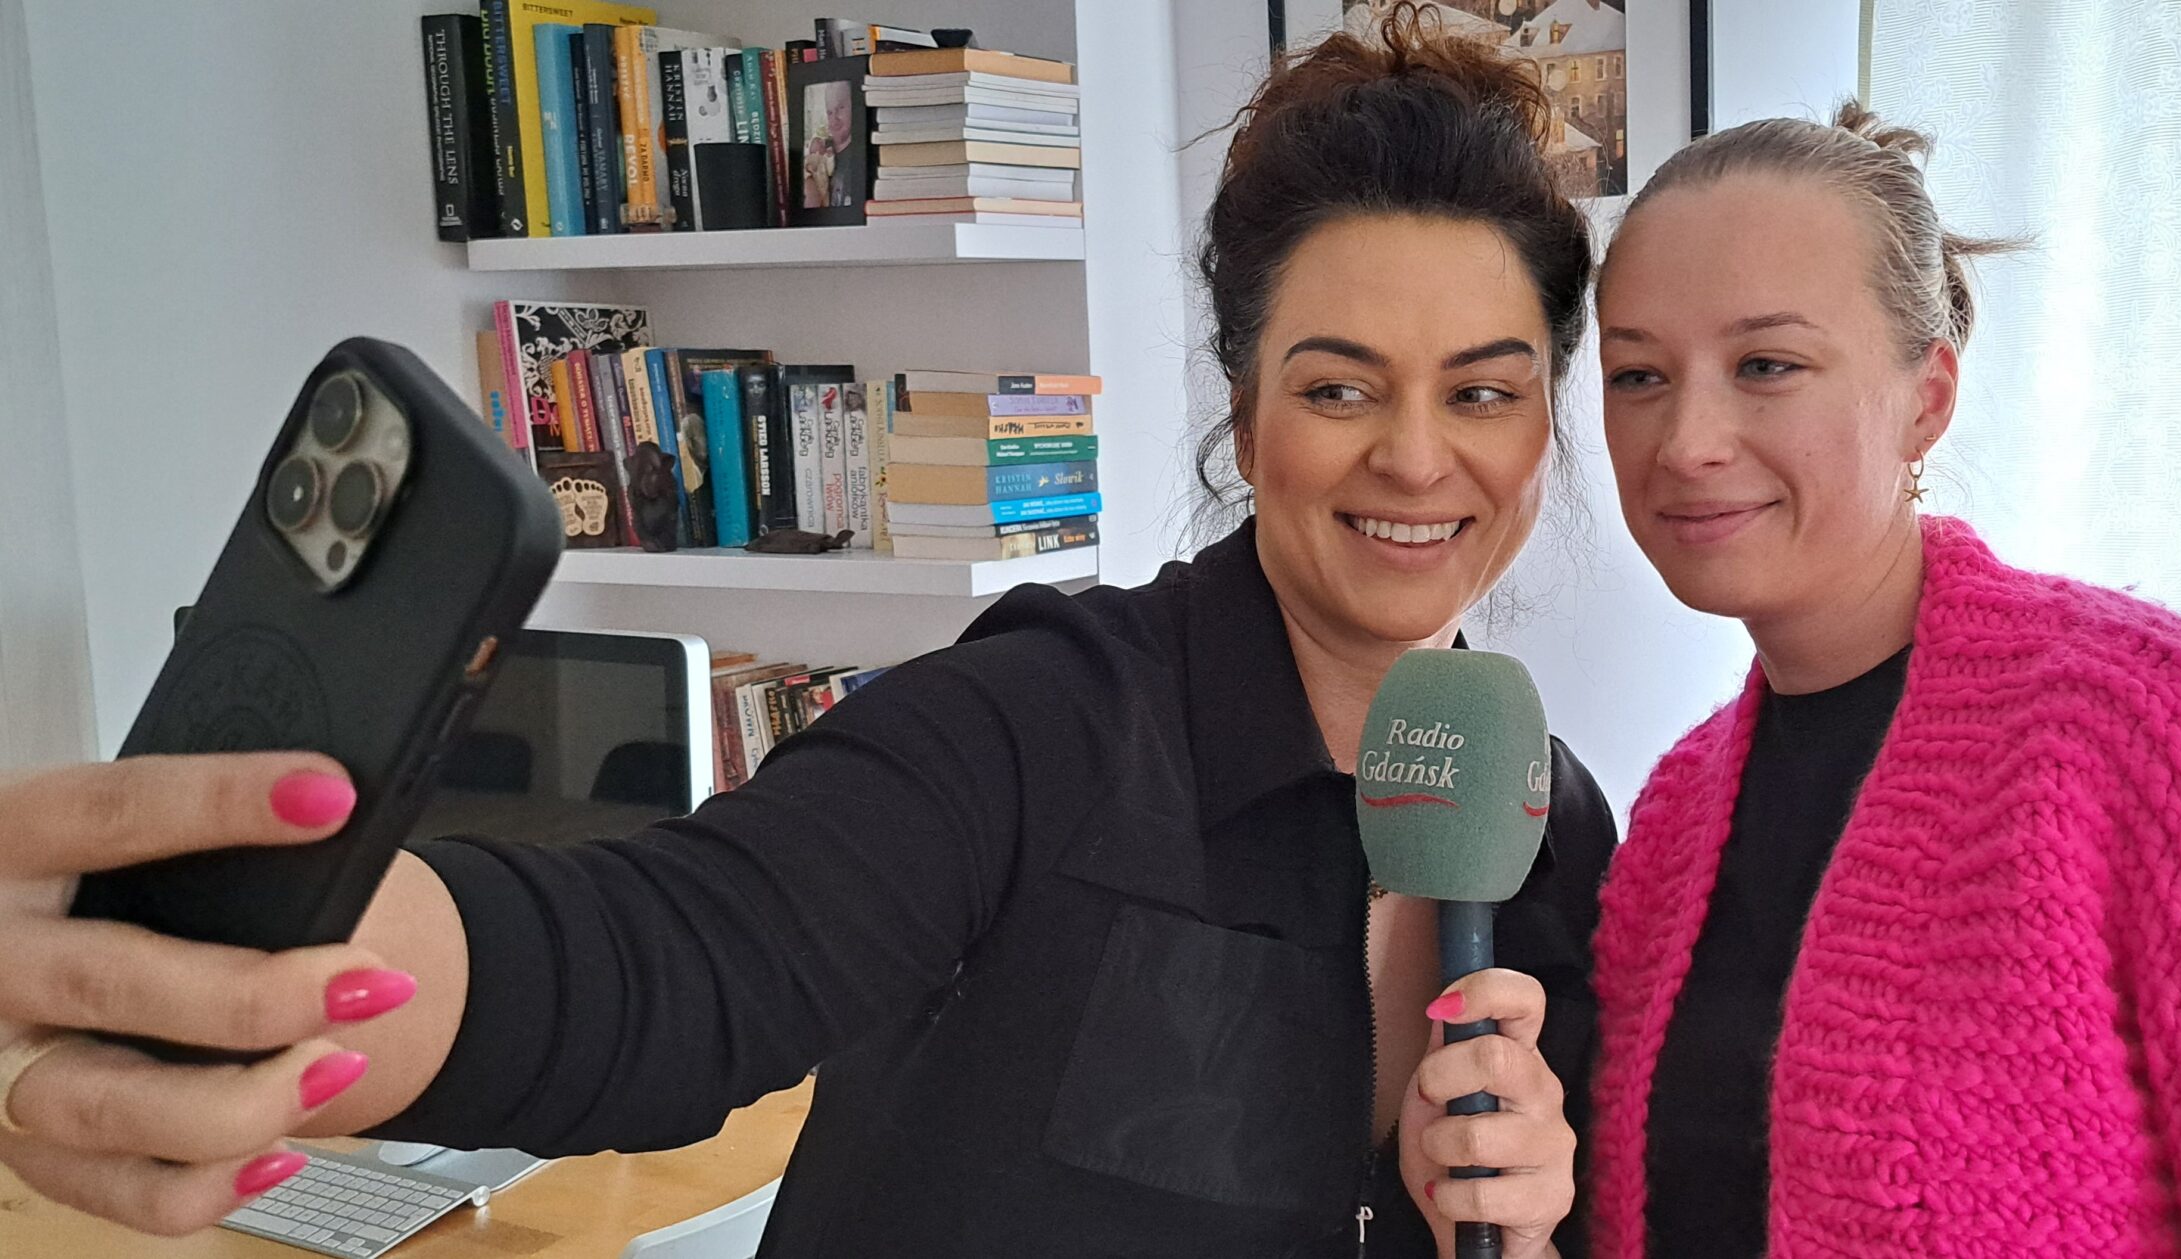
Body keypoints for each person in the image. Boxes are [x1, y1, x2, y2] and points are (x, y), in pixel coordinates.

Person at [0, 13, 1599, 1257]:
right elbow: (674, 957)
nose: (1416, 456)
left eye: (1482, 390)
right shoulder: (1036, 723)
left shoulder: (1563, 831)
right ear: (1246, 422)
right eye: (1339, 386)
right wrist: (287, 957)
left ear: (1543, 426)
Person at [1580, 100, 2181, 1256]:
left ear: (1926, 398)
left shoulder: (2160, 724)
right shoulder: (1673, 817)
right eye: (1637, 375)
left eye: (1766, 365)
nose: (1685, 439)